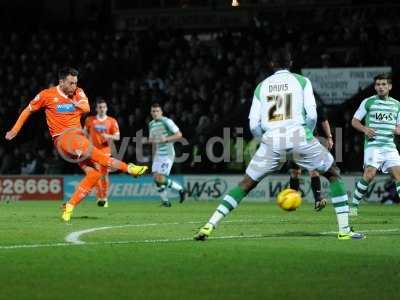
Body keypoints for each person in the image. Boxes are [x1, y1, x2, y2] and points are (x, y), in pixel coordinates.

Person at [194, 50, 365, 241]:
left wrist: (265, 139)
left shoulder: (262, 86)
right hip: (299, 135)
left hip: (271, 141)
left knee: (246, 184)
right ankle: (344, 230)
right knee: (333, 174)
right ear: (290, 63)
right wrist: (306, 133)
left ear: (271, 64)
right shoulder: (302, 81)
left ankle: (209, 225)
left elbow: (253, 124)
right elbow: (313, 115)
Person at [5, 67, 148, 221]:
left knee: (95, 174)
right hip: (63, 139)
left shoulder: (78, 92)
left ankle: (70, 206)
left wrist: (73, 102)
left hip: (77, 138)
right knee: (96, 155)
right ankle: (129, 168)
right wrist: (15, 130)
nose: (74, 86)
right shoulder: (46, 95)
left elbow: (86, 108)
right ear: (61, 82)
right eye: (71, 83)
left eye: (75, 83)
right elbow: (28, 110)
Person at [350, 73, 400, 216]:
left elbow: (399, 127)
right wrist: (365, 129)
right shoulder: (368, 102)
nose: (381, 87)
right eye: (378, 84)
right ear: (375, 87)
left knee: (398, 177)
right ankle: (353, 206)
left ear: (390, 86)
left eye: (384, 84)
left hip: (390, 147)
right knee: (369, 175)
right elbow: (354, 121)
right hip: (374, 146)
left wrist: (397, 130)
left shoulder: (397, 105)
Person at [288, 105, 334, 211]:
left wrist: (329, 137)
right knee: (295, 172)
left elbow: (324, 120)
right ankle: (292, 202)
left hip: (311, 141)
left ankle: (318, 200)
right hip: (294, 141)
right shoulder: (291, 102)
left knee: (313, 170)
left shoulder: (313, 104)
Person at [145, 103, 186, 207]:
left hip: (167, 153)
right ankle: (166, 202)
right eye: (153, 111)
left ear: (161, 112)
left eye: (157, 111)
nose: (155, 113)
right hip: (158, 154)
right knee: (156, 178)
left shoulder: (167, 121)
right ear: (151, 113)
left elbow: (179, 134)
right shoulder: (151, 124)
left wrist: (166, 139)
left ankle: (181, 189)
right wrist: (149, 140)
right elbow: (152, 139)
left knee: (160, 178)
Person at [84, 99, 120, 208]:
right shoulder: (90, 120)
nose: (102, 109)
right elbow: (84, 133)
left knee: (104, 175)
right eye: (100, 107)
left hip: (105, 152)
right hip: (93, 152)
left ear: (107, 108)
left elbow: (117, 136)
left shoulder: (112, 121)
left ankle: (104, 198)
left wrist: (109, 136)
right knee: (96, 175)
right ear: (96, 109)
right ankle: (100, 197)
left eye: (104, 107)